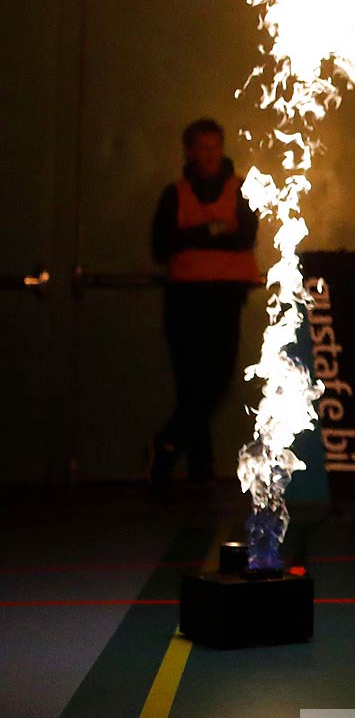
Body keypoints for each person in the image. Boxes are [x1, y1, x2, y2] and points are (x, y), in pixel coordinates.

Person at [149, 118, 260, 490]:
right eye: (203, 147)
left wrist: (191, 237)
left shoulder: (242, 189)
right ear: (190, 152)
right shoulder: (174, 193)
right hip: (184, 298)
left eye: (216, 146)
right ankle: (199, 470)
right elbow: (162, 246)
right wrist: (214, 230)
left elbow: (244, 237)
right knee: (190, 384)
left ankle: (167, 441)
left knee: (216, 380)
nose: (211, 154)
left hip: (225, 298)